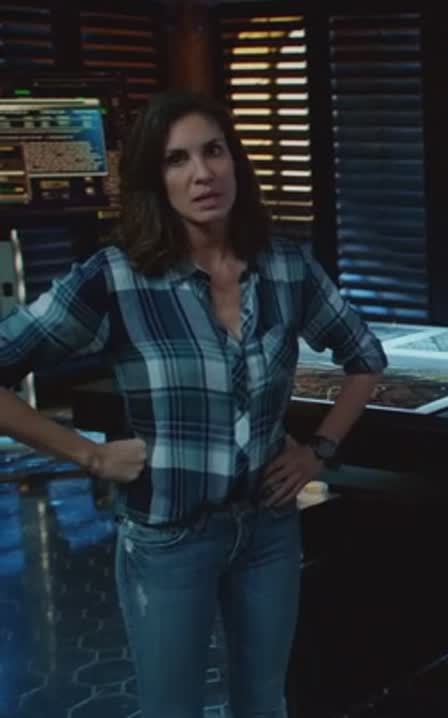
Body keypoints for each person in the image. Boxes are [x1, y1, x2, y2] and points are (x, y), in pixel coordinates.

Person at [0, 91, 387, 717]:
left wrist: (318, 450)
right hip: (169, 538)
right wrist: (88, 456)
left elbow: (365, 358)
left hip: (267, 528)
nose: (202, 173)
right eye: (177, 159)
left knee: (263, 703)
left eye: (214, 151)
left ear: (236, 161)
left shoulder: (284, 266)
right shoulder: (117, 278)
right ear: (155, 180)